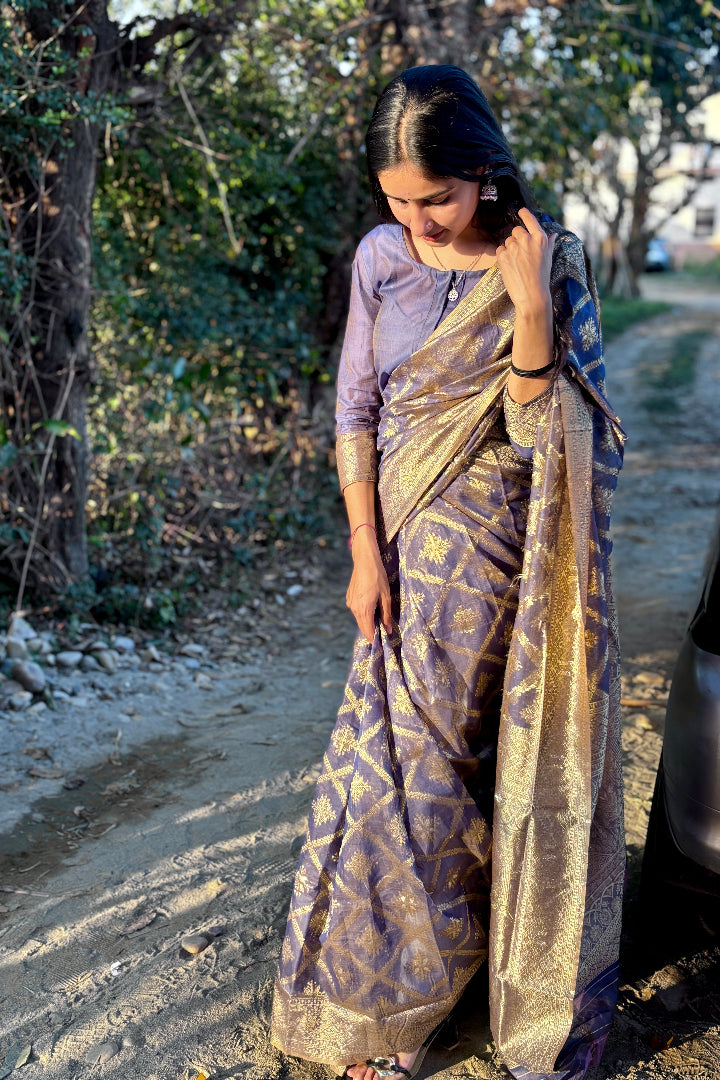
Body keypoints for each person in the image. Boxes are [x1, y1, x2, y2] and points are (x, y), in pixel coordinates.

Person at [270, 65, 626, 1080]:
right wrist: (362, 551)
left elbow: (545, 437)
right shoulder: (380, 259)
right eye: (397, 200)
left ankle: (479, 984)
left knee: (479, 777)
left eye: (436, 197)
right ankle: (394, 1003)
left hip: (504, 562)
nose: (418, 220)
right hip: (399, 554)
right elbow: (356, 410)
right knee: (398, 783)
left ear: (483, 172)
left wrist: (530, 307)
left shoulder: (546, 259)